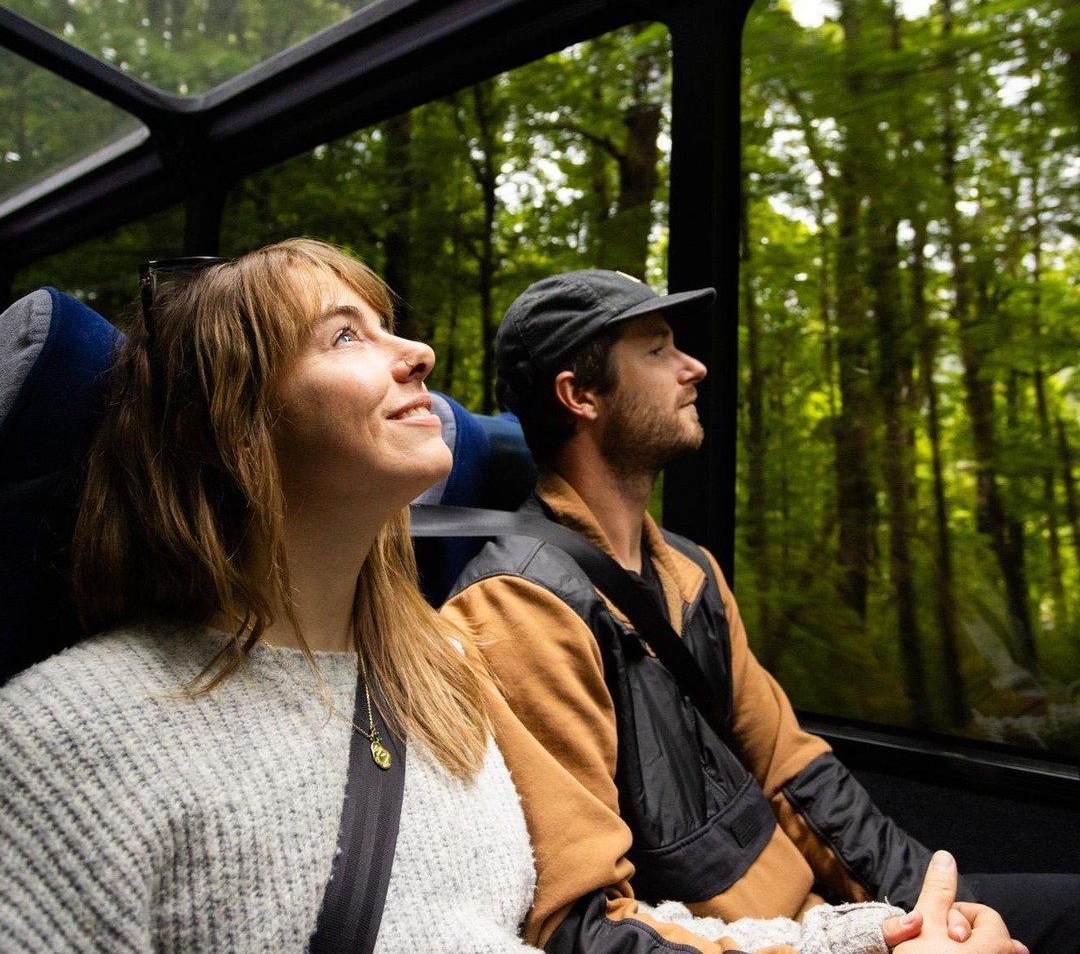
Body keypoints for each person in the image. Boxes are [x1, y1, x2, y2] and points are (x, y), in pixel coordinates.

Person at [0, 238, 1013, 954]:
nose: (421, 355)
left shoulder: (433, 682)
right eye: (346, 336)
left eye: (392, 328)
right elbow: (585, 925)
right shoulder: (61, 746)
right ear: (232, 425)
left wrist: (890, 927)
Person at [442, 268, 1076, 952]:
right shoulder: (517, 607)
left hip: (828, 918)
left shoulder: (692, 573)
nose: (693, 367)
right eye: (657, 350)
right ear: (580, 395)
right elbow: (582, 928)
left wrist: (934, 912)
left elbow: (797, 777)